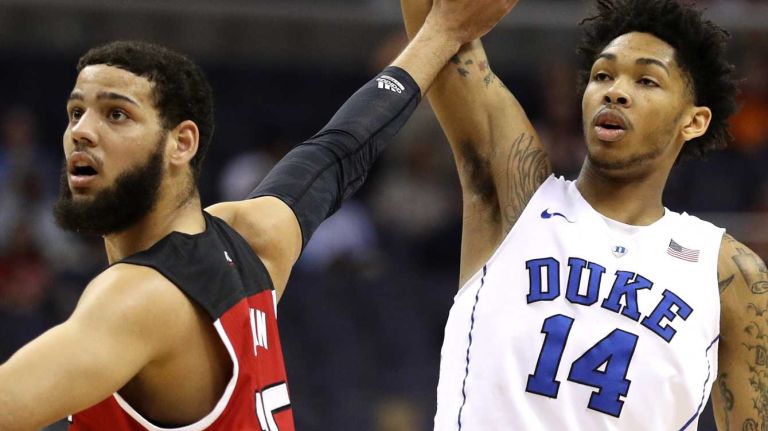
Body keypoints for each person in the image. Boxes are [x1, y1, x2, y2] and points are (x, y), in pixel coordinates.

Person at [0, 0, 518, 429]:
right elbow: (341, 151)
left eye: (116, 113)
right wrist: (441, 31)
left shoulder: (138, 299)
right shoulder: (250, 241)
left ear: (182, 143)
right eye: (75, 112)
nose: (81, 132)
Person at [402, 0, 766, 429]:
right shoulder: (517, 197)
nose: (614, 91)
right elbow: (437, 19)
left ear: (694, 121)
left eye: (647, 80)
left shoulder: (729, 272)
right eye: (602, 75)